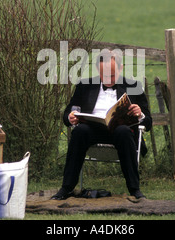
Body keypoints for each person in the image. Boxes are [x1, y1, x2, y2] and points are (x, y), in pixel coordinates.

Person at [51, 49, 152, 200]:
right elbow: (68, 113)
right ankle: (66, 188)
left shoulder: (133, 86)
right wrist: (70, 117)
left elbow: (148, 122)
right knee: (79, 132)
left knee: (124, 132)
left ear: (120, 68)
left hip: (120, 132)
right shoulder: (85, 85)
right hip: (93, 130)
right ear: (98, 69)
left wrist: (140, 114)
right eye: (104, 75)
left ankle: (134, 189)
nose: (108, 78)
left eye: (112, 75)